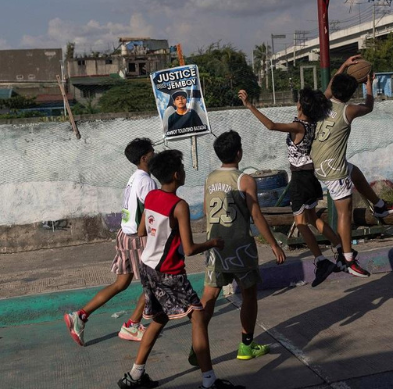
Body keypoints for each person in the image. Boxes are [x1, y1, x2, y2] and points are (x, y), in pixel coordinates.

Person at [117, 150, 235, 389]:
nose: (183, 171)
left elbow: (141, 231)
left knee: (159, 319)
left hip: (148, 267)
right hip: (168, 271)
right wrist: (212, 242)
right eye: (181, 168)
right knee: (198, 318)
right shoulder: (179, 206)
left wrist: (164, 238)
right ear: (175, 174)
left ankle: (135, 376)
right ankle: (209, 381)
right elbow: (190, 249)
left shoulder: (151, 196)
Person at [193, 130, 286, 366]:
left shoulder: (210, 178)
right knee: (249, 294)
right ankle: (246, 345)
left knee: (209, 296)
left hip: (215, 245)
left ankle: (197, 345)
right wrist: (274, 244)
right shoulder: (244, 179)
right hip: (239, 247)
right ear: (239, 152)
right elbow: (256, 214)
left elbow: (206, 209)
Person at [239, 87, 342, 287]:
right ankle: (340, 249)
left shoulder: (298, 126)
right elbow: (327, 93)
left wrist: (250, 105)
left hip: (300, 179)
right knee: (312, 218)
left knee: (301, 223)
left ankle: (321, 261)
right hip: (310, 176)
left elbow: (270, 125)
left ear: (301, 106)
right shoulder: (313, 122)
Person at [310, 55, 393, 277]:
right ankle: (348, 259)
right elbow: (369, 106)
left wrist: (344, 65)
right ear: (351, 94)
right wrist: (370, 85)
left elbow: (333, 82)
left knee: (356, 171)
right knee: (344, 212)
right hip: (333, 170)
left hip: (318, 164)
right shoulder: (347, 110)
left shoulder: (323, 102)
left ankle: (378, 204)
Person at [64, 138, 156, 346]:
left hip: (124, 235)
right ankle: (132, 324)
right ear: (144, 158)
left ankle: (80, 315)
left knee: (121, 283)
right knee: (152, 282)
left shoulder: (134, 178)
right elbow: (151, 211)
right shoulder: (147, 181)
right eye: (153, 152)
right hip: (137, 239)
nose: (155, 154)